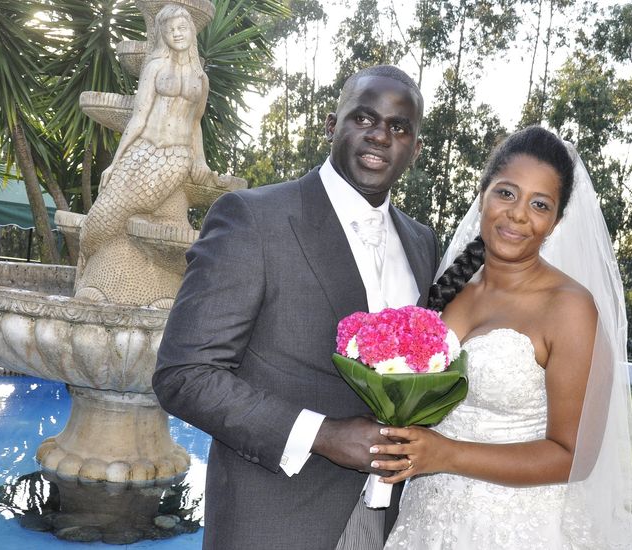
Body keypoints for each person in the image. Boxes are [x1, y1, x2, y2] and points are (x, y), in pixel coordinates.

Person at [152, 65, 439, 550]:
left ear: (414, 145)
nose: (380, 135)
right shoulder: (252, 218)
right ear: (332, 124)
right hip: (274, 520)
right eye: (364, 118)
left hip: (390, 521)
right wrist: (322, 434)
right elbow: (184, 373)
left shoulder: (422, 242)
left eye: (399, 127)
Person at [375, 126, 632, 548]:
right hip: (426, 517)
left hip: (515, 528)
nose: (518, 214)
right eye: (506, 193)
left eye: (540, 204)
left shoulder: (569, 307)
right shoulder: (451, 287)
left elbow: (573, 457)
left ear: (555, 221)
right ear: (483, 194)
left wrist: (446, 454)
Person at [76, 3, 215, 306]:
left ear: (191, 31)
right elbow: (138, 118)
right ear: (163, 34)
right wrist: (116, 163)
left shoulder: (200, 78)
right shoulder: (154, 67)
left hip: (175, 157)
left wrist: (199, 160)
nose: (177, 34)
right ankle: (87, 267)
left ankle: (94, 268)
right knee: (99, 219)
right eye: (170, 29)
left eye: (182, 28)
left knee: (113, 214)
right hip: (143, 151)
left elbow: (195, 123)